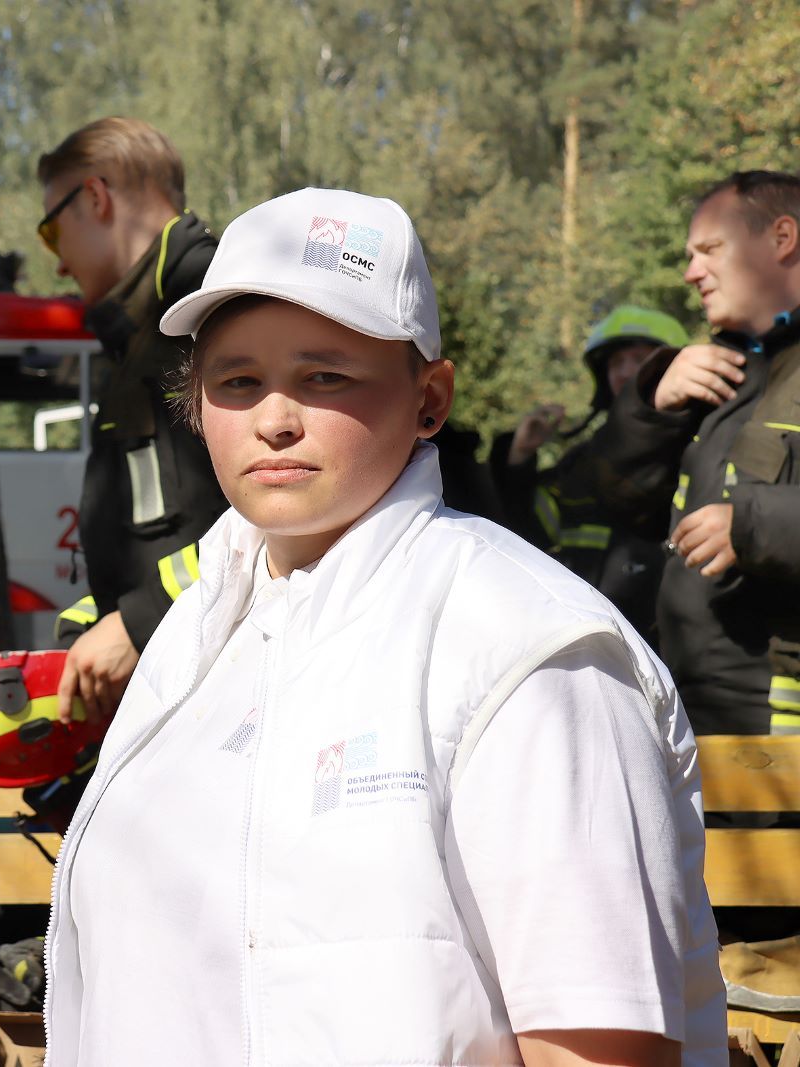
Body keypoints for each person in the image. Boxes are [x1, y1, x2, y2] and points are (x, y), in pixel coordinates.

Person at [43, 187, 723, 1065]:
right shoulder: (195, 637)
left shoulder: (531, 647)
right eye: (237, 381)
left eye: (324, 376)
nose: (275, 419)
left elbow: (599, 1044)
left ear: (430, 398)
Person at [586, 170, 800, 736]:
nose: (691, 272)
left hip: (781, 730)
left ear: (783, 238)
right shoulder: (710, 373)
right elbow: (617, 502)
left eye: (710, 249)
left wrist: (751, 527)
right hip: (688, 712)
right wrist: (651, 406)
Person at [35, 116, 230, 724]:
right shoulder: (143, 330)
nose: (58, 266)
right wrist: (93, 625)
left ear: (94, 197)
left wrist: (139, 622)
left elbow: (281, 512)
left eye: (51, 232)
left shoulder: (212, 303)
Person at [492, 306, 690, 639]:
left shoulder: (698, 448)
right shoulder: (584, 460)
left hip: (668, 644)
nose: (624, 372)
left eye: (639, 358)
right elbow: (527, 531)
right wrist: (520, 457)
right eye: (615, 362)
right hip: (591, 636)